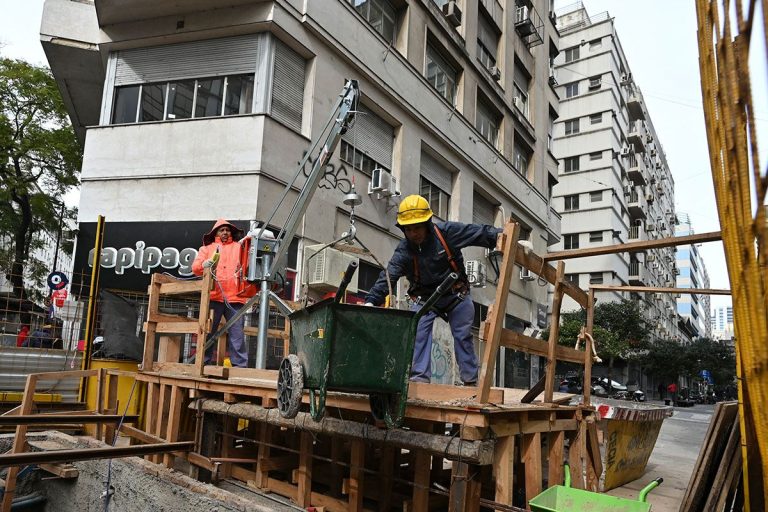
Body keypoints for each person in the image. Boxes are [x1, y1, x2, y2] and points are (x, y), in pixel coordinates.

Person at [364, 194, 502, 385]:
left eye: (418, 227)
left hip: (456, 295)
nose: (414, 233)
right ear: (403, 230)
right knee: (417, 333)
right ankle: (419, 381)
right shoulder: (404, 251)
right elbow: (389, 276)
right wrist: (372, 300)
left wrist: (505, 237)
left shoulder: (446, 233)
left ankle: (470, 382)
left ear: (427, 223)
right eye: (409, 229)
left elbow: (477, 232)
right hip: (425, 299)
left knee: (462, 335)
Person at [192, 219, 250, 368]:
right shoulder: (206, 249)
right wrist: (204, 265)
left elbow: (249, 265)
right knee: (208, 332)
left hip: (235, 298)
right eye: (221, 230)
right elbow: (195, 268)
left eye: (227, 230)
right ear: (215, 233)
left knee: (237, 335)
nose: (225, 232)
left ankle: (240, 367)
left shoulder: (240, 247)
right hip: (213, 296)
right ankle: (203, 363)